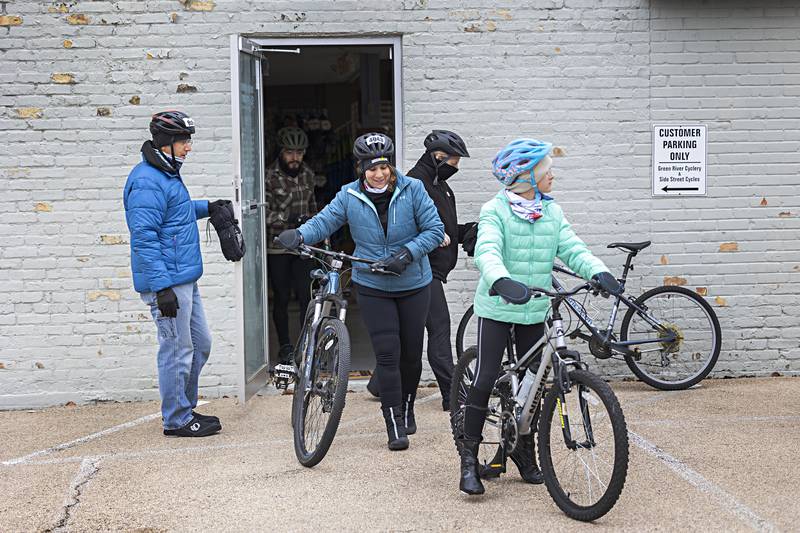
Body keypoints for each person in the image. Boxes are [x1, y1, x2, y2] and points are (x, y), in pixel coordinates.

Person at [456, 138, 621, 495]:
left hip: (535, 307)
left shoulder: (552, 212)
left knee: (534, 385)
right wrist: (500, 280)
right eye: (546, 171)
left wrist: (599, 272)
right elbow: (487, 250)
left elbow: (573, 248)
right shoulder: (494, 210)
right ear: (527, 177)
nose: (553, 176)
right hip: (499, 306)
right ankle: (469, 459)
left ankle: (522, 453)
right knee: (485, 378)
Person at [276, 133, 444, 451]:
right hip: (372, 284)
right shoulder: (349, 196)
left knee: (410, 355)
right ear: (360, 168)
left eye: (383, 167)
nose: (379, 173)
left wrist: (407, 254)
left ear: (391, 166)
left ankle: (407, 406)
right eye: (371, 168)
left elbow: (435, 230)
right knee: (387, 354)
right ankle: (393, 421)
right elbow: (324, 222)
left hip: (413, 284)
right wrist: (298, 235)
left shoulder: (413, 190)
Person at [123, 110, 231, 437]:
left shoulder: (166, 174)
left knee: (200, 345)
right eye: (184, 141)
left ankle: (185, 406)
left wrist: (208, 207)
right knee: (176, 349)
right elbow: (143, 237)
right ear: (167, 142)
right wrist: (161, 288)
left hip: (183, 278)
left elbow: (175, 214)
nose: (189, 148)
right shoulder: (146, 181)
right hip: (168, 282)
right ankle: (177, 418)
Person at [406, 129, 476, 412]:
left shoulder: (441, 186)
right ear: (438, 157)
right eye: (454, 161)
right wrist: (433, 235)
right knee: (438, 329)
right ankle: (453, 394)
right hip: (421, 270)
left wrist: (468, 231)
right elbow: (407, 227)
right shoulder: (415, 183)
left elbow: (445, 229)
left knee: (411, 333)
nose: (456, 167)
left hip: (433, 270)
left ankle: (376, 386)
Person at [265, 126, 318, 364]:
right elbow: (262, 213)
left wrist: (317, 232)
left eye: (299, 152)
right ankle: (285, 346)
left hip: (303, 245)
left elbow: (313, 206)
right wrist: (287, 221)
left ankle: (307, 345)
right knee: (283, 298)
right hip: (277, 247)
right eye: (290, 152)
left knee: (307, 297)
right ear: (282, 152)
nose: (295, 158)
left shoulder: (308, 174)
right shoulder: (269, 176)